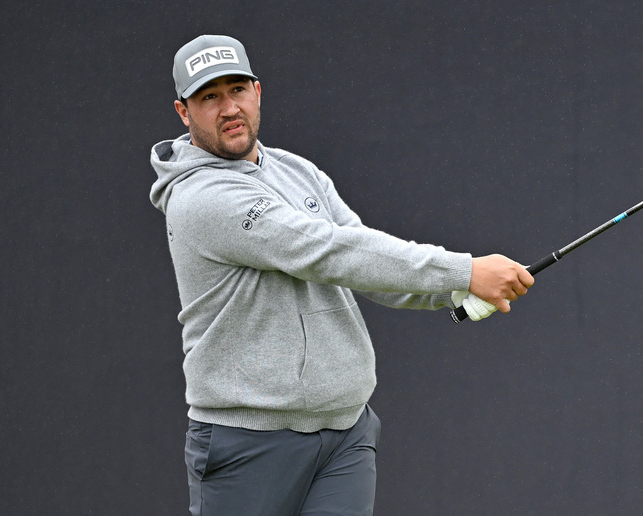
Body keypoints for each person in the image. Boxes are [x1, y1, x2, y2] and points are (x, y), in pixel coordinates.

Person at [149, 34, 534, 516]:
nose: (229, 108)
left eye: (237, 90)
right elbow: (327, 251)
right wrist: (465, 268)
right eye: (209, 97)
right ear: (184, 113)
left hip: (344, 434)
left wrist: (456, 289)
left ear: (258, 92)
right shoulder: (200, 198)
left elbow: (365, 267)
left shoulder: (298, 172)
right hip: (247, 443)